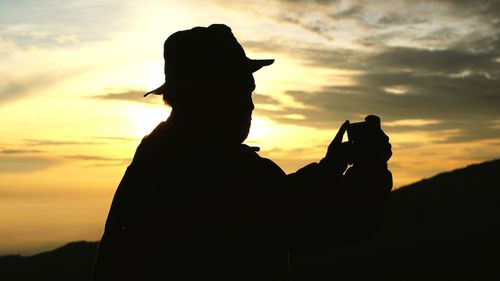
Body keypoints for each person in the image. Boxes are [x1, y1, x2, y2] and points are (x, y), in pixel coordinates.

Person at [92, 24, 392, 281]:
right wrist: (372, 165)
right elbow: (330, 225)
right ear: (214, 94)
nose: (250, 105)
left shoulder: (159, 152)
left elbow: (277, 198)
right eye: (243, 91)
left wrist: (330, 168)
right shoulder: (221, 168)